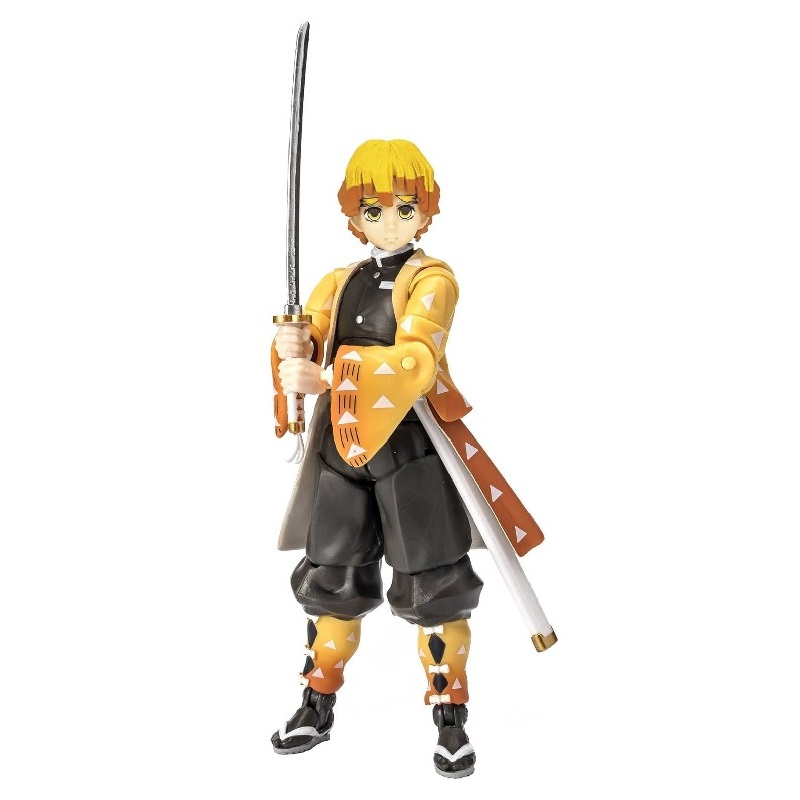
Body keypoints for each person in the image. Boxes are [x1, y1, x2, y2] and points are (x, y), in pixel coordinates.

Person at [270, 139, 542, 779]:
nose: (388, 223)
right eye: (373, 210)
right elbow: (313, 332)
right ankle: (317, 700)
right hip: (344, 450)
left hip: (411, 447)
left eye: (403, 209)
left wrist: (326, 373)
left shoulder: (432, 280)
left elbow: (417, 359)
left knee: (435, 586)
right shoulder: (339, 282)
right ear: (354, 215)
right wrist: (292, 343)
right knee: (331, 579)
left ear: (425, 212)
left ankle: (450, 716)